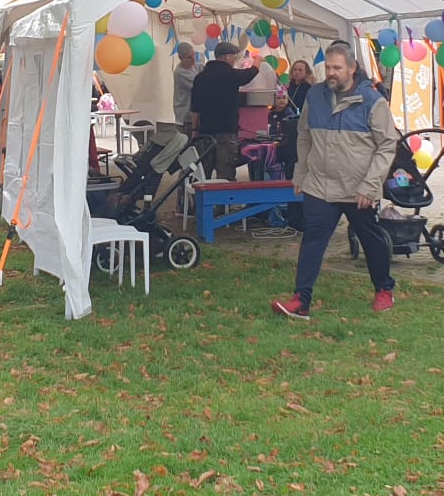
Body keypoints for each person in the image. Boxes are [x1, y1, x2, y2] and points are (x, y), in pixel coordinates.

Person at [273, 42, 399, 319]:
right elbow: (304, 136)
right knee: (313, 240)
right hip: (320, 184)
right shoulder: (314, 96)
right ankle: (301, 300)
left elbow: (388, 144)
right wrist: (300, 174)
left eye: (337, 68)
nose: (331, 72)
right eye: (328, 67)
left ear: (352, 69)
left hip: (358, 188)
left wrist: (370, 185)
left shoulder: (372, 101)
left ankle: (384, 289)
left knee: (370, 238)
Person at [189, 41, 260, 180]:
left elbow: (195, 108)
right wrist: (257, 61)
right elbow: (250, 74)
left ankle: (201, 201)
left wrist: (194, 130)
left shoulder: (200, 78)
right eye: (234, 56)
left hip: (205, 131)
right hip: (227, 131)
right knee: (225, 172)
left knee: (203, 172)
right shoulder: (231, 75)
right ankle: (224, 201)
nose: (235, 59)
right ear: (227, 57)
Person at [165, 43, 196, 139]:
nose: (193, 59)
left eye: (193, 55)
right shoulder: (180, 72)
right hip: (184, 117)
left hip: (192, 116)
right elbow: (199, 86)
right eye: (188, 57)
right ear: (180, 58)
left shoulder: (197, 66)